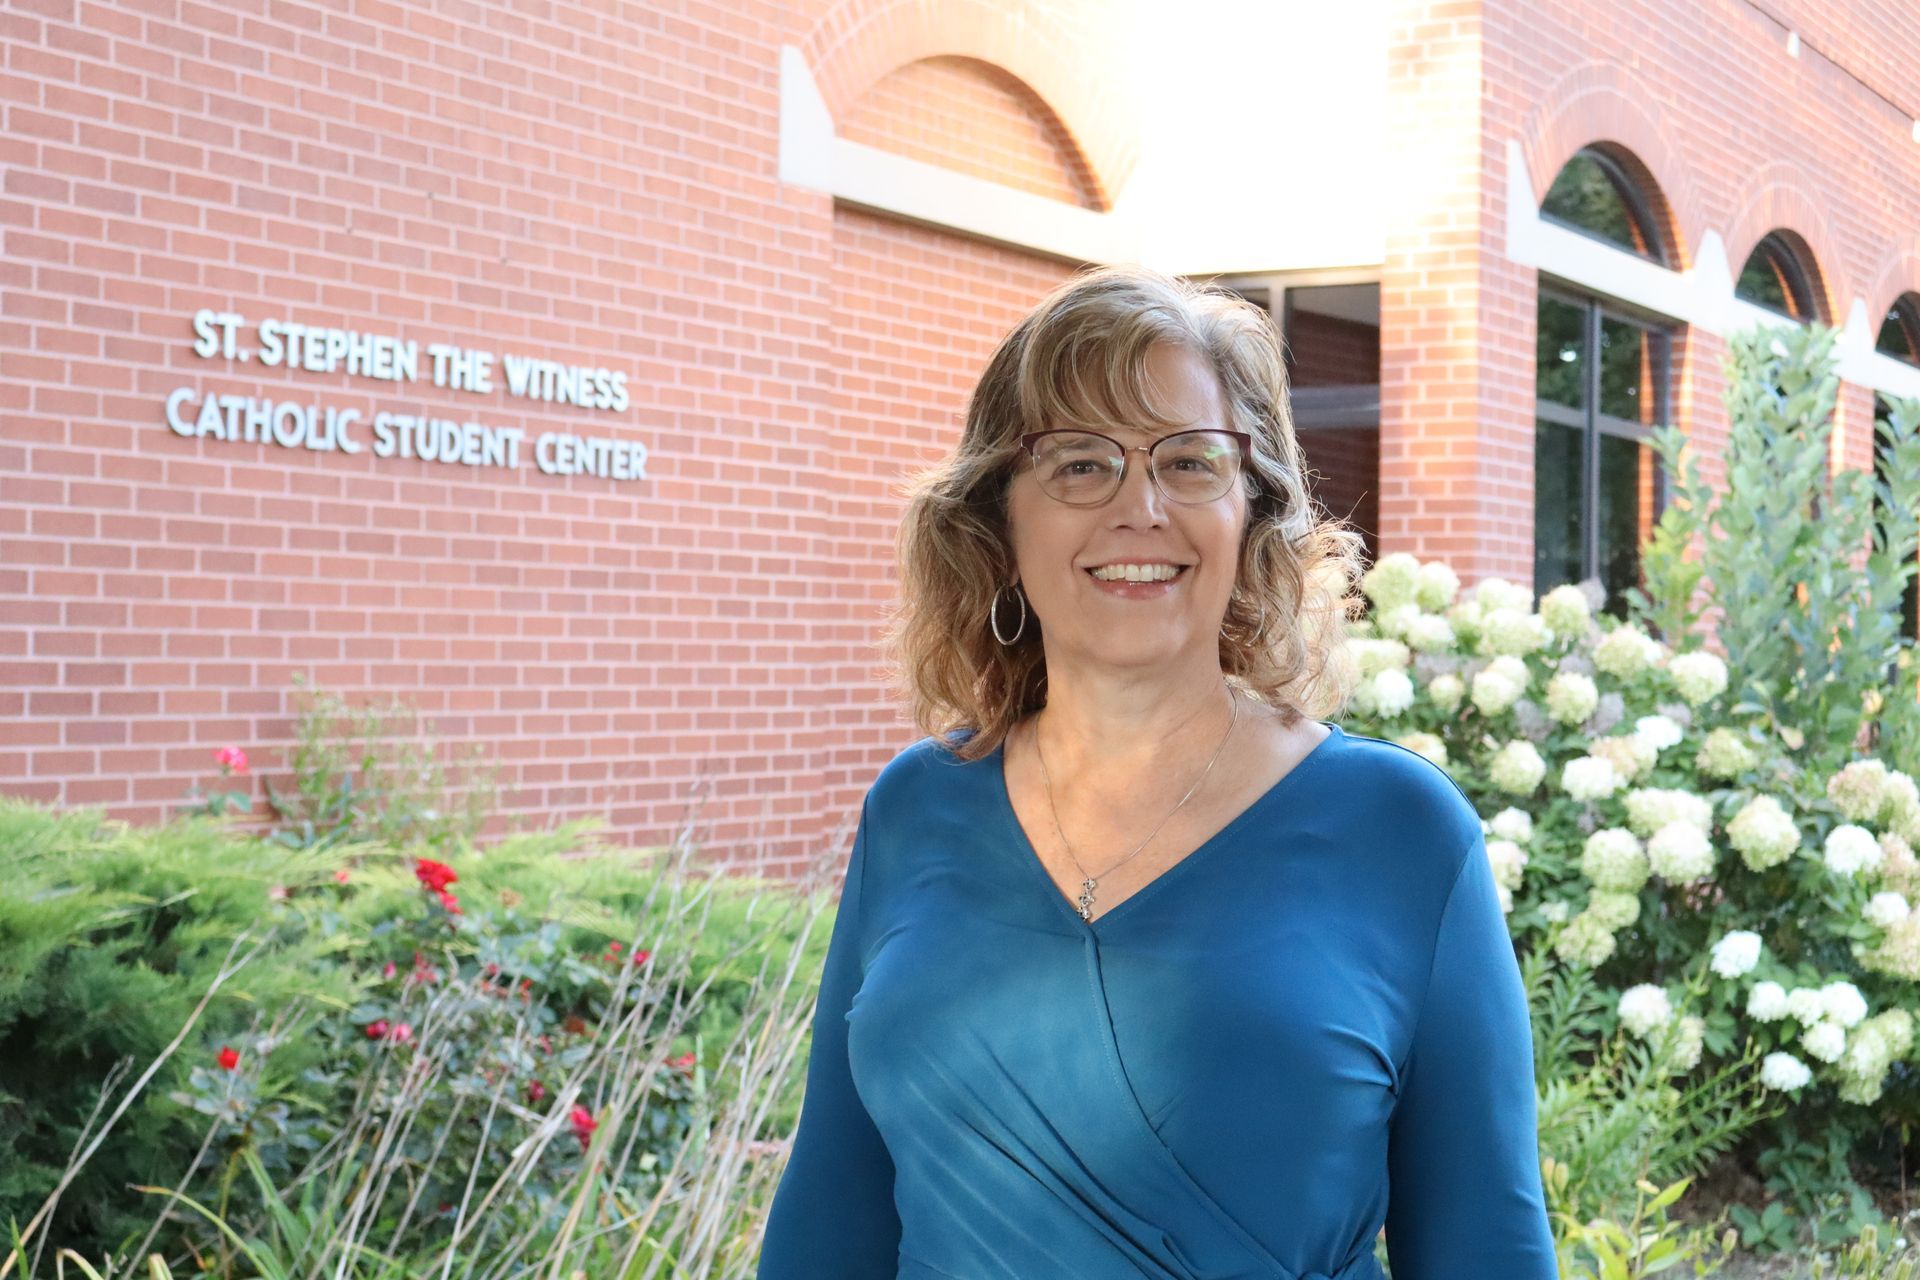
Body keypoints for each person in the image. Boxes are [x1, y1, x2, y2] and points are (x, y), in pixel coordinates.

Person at [757, 265, 1556, 1279]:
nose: (1140, 506)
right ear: (999, 519)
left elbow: (1489, 1253)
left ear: (1251, 508)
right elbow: (829, 1218)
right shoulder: (915, 808)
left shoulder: (1400, 831)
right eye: (1080, 463)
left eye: (1188, 461)